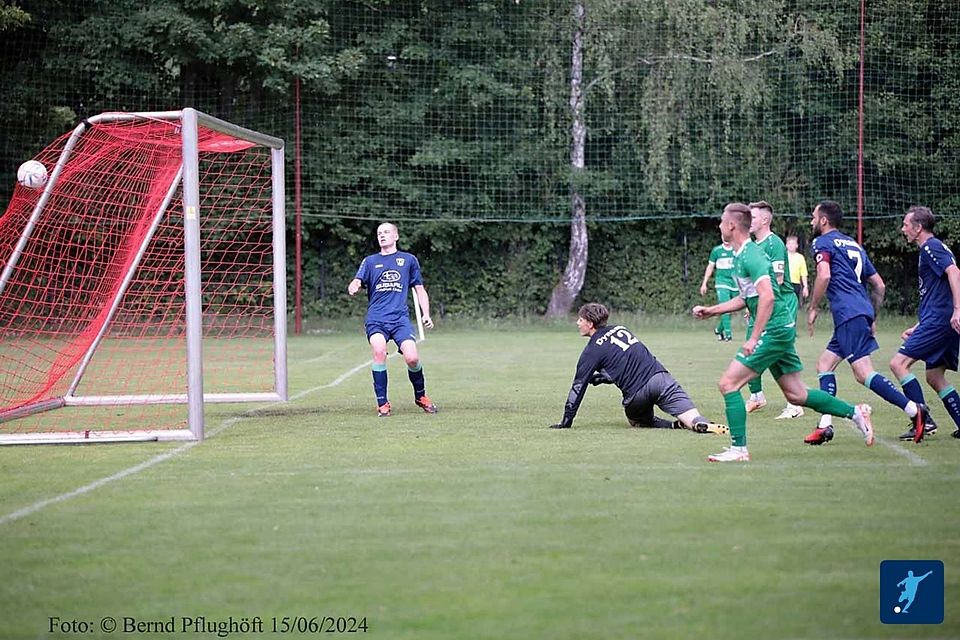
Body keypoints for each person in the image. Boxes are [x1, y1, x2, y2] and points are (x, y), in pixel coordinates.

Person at [693, 203, 875, 462]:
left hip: (774, 330)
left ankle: (739, 449)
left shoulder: (751, 256)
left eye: (722, 222)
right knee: (797, 395)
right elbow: (748, 298)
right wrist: (712, 311)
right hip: (779, 328)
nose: (719, 226)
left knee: (728, 384)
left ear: (732, 226)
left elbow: (767, 297)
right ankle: (856, 413)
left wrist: (754, 337)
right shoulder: (741, 255)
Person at [804, 200, 930, 445]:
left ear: (823, 220)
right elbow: (879, 285)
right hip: (855, 315)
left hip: (848, 315)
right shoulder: (853, 244)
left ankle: (915, 410)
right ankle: (825, 425)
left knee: (864, 374)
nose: (811, 221)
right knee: (824, 364)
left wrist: (813, 307)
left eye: (813, 217)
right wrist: (871, 315)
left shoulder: (822, 242)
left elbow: (824, 274)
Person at [549, 302, 728, 435]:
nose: (577, 323)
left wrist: (566, 421)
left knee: (638, 421)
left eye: (580, 319)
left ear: (590, 323)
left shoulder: (592, 350)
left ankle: (672, 426)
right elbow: (625, 361)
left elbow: (577, 388)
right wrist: (603, 378)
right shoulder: (621, 329)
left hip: (637, 395)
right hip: (660, 377)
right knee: (691, 416)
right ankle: (699, 423)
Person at [348, 222, 438, 417]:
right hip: (376, 319)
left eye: (386, 232)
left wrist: (426, 314)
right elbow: (357, 280)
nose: (382, 235)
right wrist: (354, 285)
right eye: (379, 233)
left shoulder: (408, 260)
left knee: (412, 358)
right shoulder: (370, 261)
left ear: (396, 236)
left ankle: (420, 396)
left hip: (400, 320)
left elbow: (419, 289)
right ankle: (383, 403)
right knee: (379, 352)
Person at [889, 205, 960, 441]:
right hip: (939, 320)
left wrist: (957, 311)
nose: (903, 229)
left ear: (918, 228)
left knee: (899, 364)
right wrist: (920, 326)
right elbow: (938, 294)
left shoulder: (930, 246)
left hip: (941, 321)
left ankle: (923, 420)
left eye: (906, 225)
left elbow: (954, 272)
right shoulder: (932, 248)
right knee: (935, 377)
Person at [747, 201, 804, 420]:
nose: (748, 222)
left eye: (752, 218)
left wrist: (760, 300)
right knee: (751, 346)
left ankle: (795, 402)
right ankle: (757, 396)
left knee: (780, 349)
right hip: (762, 301)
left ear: (764, 220)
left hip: (780, 301)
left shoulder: (774, 243)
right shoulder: (754, 245)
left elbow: (778, 280)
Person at [699, 242, 737, 341]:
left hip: (735, 282)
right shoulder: (717, 250)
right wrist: (704, 283)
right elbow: (710, 267)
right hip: (722, 282)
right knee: (725, 306)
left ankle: (719, 329)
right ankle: (728, 335)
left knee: (731, 309)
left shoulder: (736, 248)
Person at [786, 235, 809, 307]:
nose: (791, 246)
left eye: (793, 244)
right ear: (786, 245)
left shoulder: (800, 258)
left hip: (796, 284)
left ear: (797, 245)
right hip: (785, 283)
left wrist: (805, 286)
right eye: (789, 244)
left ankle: (793, 317)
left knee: (793, 304)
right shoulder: (783, 256)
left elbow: (803, 273)